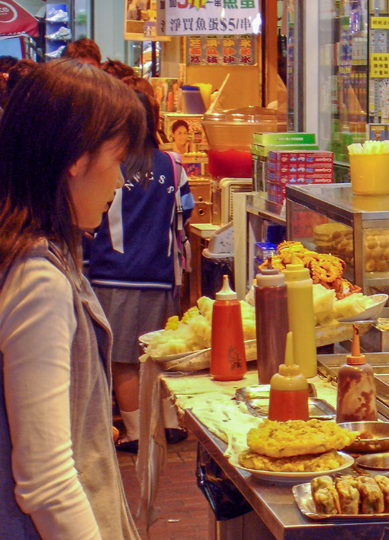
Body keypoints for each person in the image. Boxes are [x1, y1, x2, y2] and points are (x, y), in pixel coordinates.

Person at [0, 59, 145, 538]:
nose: (121, 180)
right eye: (118, 158)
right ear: (76, 160)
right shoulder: (37, 278)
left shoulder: (33, 251)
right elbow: (46, 482)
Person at [88, 76, 194, 453]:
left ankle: (136, 431)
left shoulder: (106, 163)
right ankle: (168, 423)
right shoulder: (171, 163)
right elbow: (187, 210)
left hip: (113, 275)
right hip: (161, 275)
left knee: (123, 361)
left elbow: (92, 222)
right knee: (157, 355)